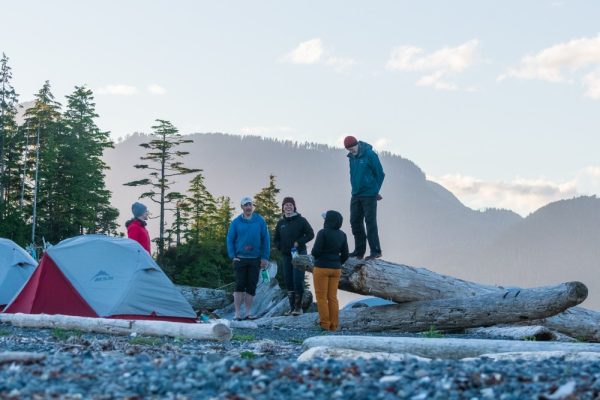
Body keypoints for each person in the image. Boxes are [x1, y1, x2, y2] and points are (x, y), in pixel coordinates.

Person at [226, 196, 270, 321]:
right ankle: (237, 313)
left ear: (252, 206)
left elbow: (265, 239)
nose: (248, 207)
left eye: (250, 204)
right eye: (246, 205)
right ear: (242, 207)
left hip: (255, 258)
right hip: (240, 258)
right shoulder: (236, 222)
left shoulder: (260, 221)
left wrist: (265, 257)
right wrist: (232, 256)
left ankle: (248, 312)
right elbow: (230, 239)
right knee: (239, 285)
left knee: (251, 286)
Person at [344, 135, 385, 260]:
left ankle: (375, 251)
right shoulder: (351, 158)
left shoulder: (370, 154)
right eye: (349, 150)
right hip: (356, 194)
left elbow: (380, 174)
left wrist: (375, 190)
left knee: (370, 222)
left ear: (357, 144)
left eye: (352, 148)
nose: (351, 151)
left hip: (369, 194)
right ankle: (359, 251)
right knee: (355, 221)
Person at [274, 197, 314, 316]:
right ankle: (292, 308)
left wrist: (299, 242)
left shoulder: (301, 220)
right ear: (283, 208)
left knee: (298, 280)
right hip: (286, 255)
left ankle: (298, 308)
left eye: (290, 205)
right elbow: (276, 239)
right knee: (288, 281)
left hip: (299, 255)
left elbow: (311, 234)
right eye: (285, 205)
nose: (288, 207)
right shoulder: (281, 223)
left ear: (294, 207)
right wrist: (280, 247)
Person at [311, 210, 349, 332]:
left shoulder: (322, 233)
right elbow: (345, 254)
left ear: (329, 220)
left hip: (321, 268)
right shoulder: (342, 235)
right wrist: (338, 262)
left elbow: (315, 252)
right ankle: (334, 325)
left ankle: (324, 324)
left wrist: (319, 257)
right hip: (336, 269)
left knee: (321, 297)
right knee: (332, 297)